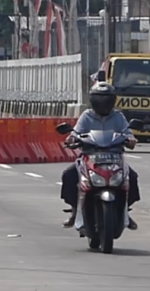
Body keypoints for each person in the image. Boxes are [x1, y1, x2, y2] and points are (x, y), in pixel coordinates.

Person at [60, 82, 140, 229]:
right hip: (90, 157)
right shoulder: (86, 116)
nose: (103, 104)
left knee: (132, 178)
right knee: (69, 175)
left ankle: (125, 212)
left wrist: (131, 139)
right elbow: (76, 132)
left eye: (106, 100)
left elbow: (128, 133)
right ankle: (74, 210)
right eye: (99, 100)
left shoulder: (118, 116)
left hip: (114, 157)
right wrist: (71, 138)